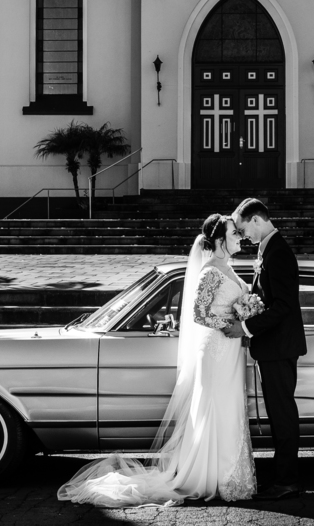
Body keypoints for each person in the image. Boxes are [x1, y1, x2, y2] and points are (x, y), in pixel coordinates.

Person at [57, 213, 256, 506]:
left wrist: (245, 315)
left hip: (230, 348)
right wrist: (232, 322)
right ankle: (209, 476)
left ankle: (229, 474)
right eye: (234, 233)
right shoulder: (210, 272)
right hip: (215, 347)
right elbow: (198, 314)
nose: (239, 236)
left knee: (230, 406)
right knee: (215, 407)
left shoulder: (228, 268)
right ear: (219, 240)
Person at [225, 197, 307, 500]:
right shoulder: (268, 249)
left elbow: (284, 306)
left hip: (280, 348)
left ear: (256, 220)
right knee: (277, 413)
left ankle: (287, 481)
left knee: (282, 414)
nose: (243, 236)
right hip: (272, 346)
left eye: (243, 229)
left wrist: (246, 327)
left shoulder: (279, 253)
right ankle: (282, 477)